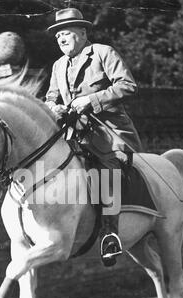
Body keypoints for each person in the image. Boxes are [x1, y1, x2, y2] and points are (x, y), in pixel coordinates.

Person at [45, 8, 143, 265]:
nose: (61, 39)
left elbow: (128, 85)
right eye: (57, 36)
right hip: (74, 133)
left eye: (65, 33)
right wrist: (53, 107)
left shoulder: (103, 52)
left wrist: (92, 100)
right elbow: (51, 97)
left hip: (110, 132)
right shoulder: (57, 65)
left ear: (82, 32)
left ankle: (110, 234)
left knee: (106, 172)